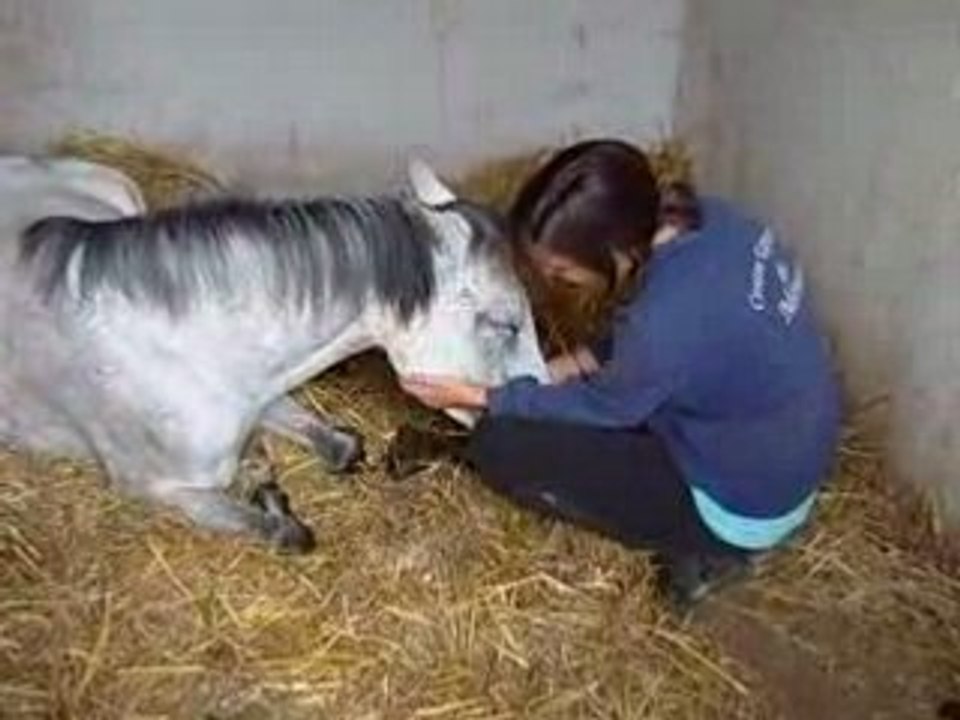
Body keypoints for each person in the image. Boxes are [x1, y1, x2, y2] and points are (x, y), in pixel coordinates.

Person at [399, 139, 841, 614]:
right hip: (781, 448)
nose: (557, 284)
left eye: (564, 274)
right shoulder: (710, 220)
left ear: (619, 250)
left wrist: (483, 395)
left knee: (503, 446)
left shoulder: (661, 324)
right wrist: (571, 363)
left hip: (740, 500)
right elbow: (677, 331)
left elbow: (606, 405)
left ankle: (713, 556)